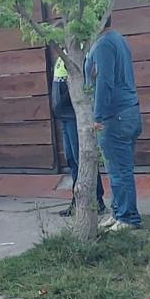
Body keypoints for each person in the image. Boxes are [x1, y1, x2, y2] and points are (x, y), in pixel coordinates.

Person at [86, 21, 142, 231]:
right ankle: (118, 212)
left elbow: (104, 82)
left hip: (114, 114)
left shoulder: (102, 45)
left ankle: (128, 217)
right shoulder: (118, 39)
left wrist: (97, 116)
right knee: (118, 169)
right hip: (128, 111)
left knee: (119, 170)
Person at [51, 51, 106, 217]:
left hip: (75, 116)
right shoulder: (62, 56)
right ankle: (79, 201)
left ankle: (96, 201)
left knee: (82, 159)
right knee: (72, 161)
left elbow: (80, 85)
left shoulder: (78, 55)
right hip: (64, 117)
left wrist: (62, 103)